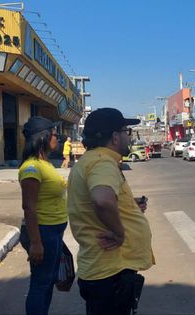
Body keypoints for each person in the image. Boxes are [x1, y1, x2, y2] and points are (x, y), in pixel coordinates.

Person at [67, 108, 154, 314]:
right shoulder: (102, 162)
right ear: (115, 137)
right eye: (127, 131)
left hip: (104, 270)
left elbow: (104, 199)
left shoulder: (90, 161)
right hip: (110, 271)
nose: (128, 137)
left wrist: (128, 204)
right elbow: (103, 201)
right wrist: (119, 233)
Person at [18, 116, 67, 315]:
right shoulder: (31, 167)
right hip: (43, 232)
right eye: (55, 135)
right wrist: (36, 242)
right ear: (43, 137)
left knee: (47, 282)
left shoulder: (45, 163)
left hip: (53, 231)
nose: (59, 138)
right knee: (40, 284)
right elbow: (29, 207)